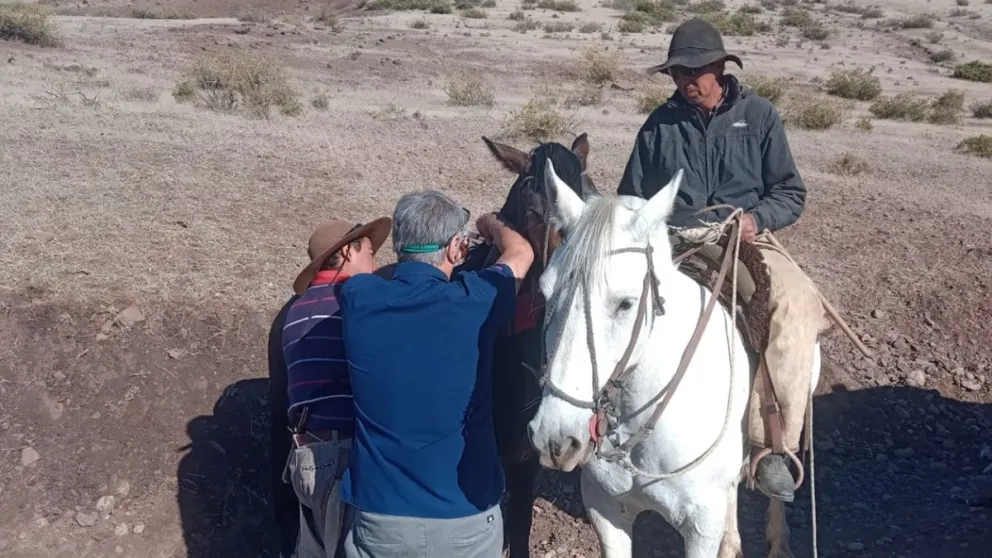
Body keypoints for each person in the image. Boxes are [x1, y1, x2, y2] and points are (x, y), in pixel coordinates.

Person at [616, 18, 829, 504]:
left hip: (744, 236)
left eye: (693, 71)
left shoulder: (759, 116)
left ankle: (774, 448)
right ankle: (604, 421)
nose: (684, 81)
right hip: (675, 238)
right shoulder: (658, 125)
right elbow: (632, 197)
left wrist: (756, 219)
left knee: (797, 302)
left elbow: (790, 192)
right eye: (677, 73)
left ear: (719, 67)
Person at [336, 191, 534, 558]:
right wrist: (489, 223)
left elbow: (353, 271)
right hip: (466, 519)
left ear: (398, 245)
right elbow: (521, 253)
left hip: (383, 518)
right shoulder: (477, 300)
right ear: (457, 248)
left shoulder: (358, 298)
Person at [279, 216, 392, 557]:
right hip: (343, 455)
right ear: (346, 252)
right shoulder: (350, 304)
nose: (375, 265)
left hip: (306, 456)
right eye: (370, 253)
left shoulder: (297, 311)